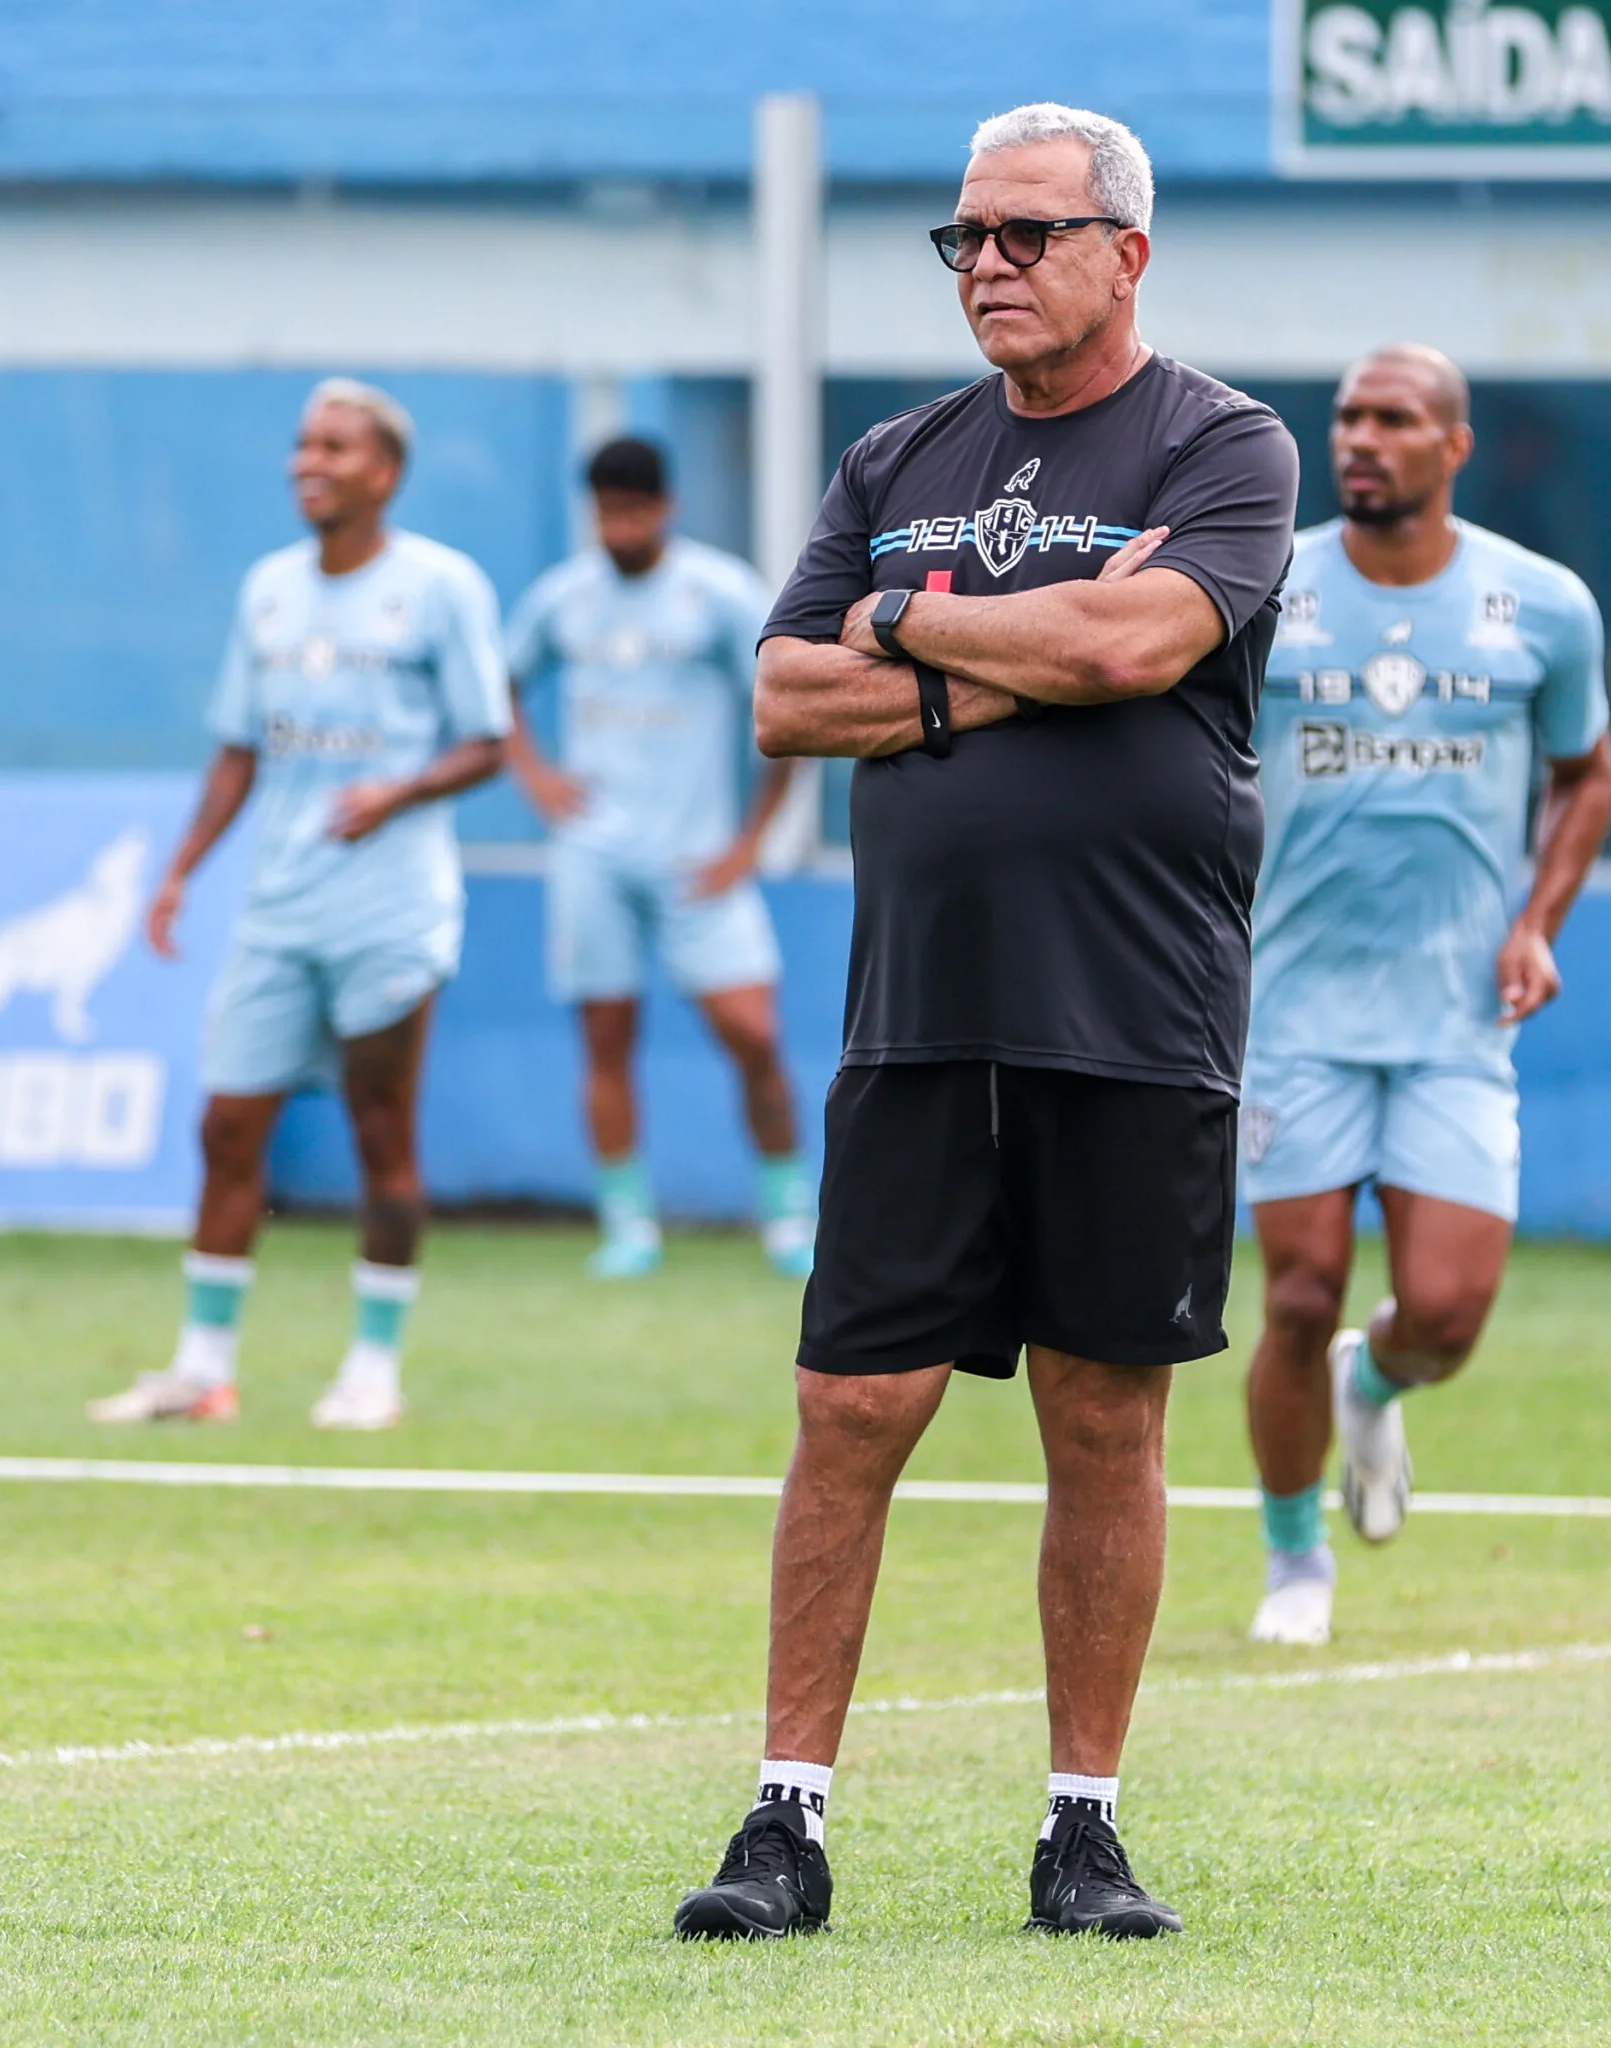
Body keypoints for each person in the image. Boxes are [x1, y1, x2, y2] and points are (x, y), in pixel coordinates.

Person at [669, 102, 1296, 1942]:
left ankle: (1081, 1830)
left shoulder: (1225, 440)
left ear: (1129, 252)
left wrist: (917, 630)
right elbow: (786, 693)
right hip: (920, 1021)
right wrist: (990, 641)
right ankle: (785, 1821)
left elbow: (1135, 652)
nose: (990, 267)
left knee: (1106, 1416)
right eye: (966, 240)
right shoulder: (895, 453)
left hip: (1137, 1015)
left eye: (1027, 233)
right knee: (849, 1405)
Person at [1240, 345, 1611, 1649]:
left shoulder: (1544, 604)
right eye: (1348, 417)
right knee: (1296, 1294)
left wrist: (1538, 922)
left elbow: (1587, 774)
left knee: (1448, 1314)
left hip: (1459, 1016)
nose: (1362, 439)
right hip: (1293, 1009)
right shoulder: (1264, 582)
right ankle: (1296, 1563)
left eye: (1394, 419)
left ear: (1453, 444)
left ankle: (1380, 1381)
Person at [87, 379, 510, 1432]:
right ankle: (203, 1371)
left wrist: (397, 791)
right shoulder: (269, 588)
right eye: (301, 444)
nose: (306, 461)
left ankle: (372, 1370)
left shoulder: (440, 586)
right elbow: (240, 743)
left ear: (385, 472)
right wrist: (184, 866)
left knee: (381, 1131)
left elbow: (487, 739)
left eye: (333, 445)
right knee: (229, 1126)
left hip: (389, 906)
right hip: (279, 905)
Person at [504, 436, 815, 1280]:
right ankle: (627, 1225)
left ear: (666, 507)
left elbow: (789, 704)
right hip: (592, 859)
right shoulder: (563, 599)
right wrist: (537, 779)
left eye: (634, 511)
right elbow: (496, 687)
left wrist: (752, 841)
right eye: (607, 513)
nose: (620, 527)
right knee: (605, 1039)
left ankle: (790, 1216)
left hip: (697, 861)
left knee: (753, 1035)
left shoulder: (717, 593)